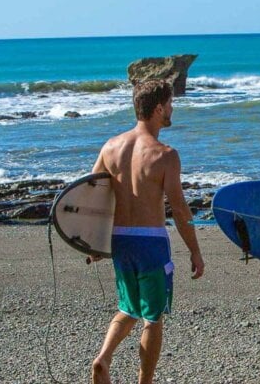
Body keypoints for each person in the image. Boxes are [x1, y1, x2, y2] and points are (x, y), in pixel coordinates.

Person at [90, 79, 205, 384]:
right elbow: (179, 210)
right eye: (169, 103)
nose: (172, 108)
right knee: (152, 318)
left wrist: (94, 243)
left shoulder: (110, 146)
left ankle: (103, 356)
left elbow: (91, 195)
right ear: (157, 108)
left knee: (127, 307)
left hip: (119, 241)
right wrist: (195, 250)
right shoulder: (165, 154)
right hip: (151, 242)